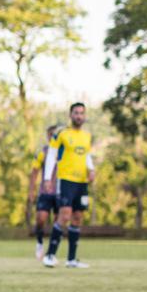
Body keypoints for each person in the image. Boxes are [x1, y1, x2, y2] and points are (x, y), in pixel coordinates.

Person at [41, 103, 95, 269]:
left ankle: (71, 259)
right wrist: (48, 178)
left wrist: (91, 169)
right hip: (65, 180)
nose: (79, 116)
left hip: (81, 183)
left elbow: (86, 155)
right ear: (70, 115)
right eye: (76, 113)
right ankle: (50, 255)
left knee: (78, 217)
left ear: (84, 116)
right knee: (64, 216)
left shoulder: (86, 136)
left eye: (81, 113)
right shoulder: (62, 134)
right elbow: (51, 155)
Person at [29, 124, 61, 261]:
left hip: (61, 192)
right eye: (51, 134)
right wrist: (32, 190)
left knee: (58, 222)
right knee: (41, 218)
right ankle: (40, 242)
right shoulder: (43, 152)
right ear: (48, 136)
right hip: (46, 191)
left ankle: (51, 252)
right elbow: (35, 172)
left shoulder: (64, 153)